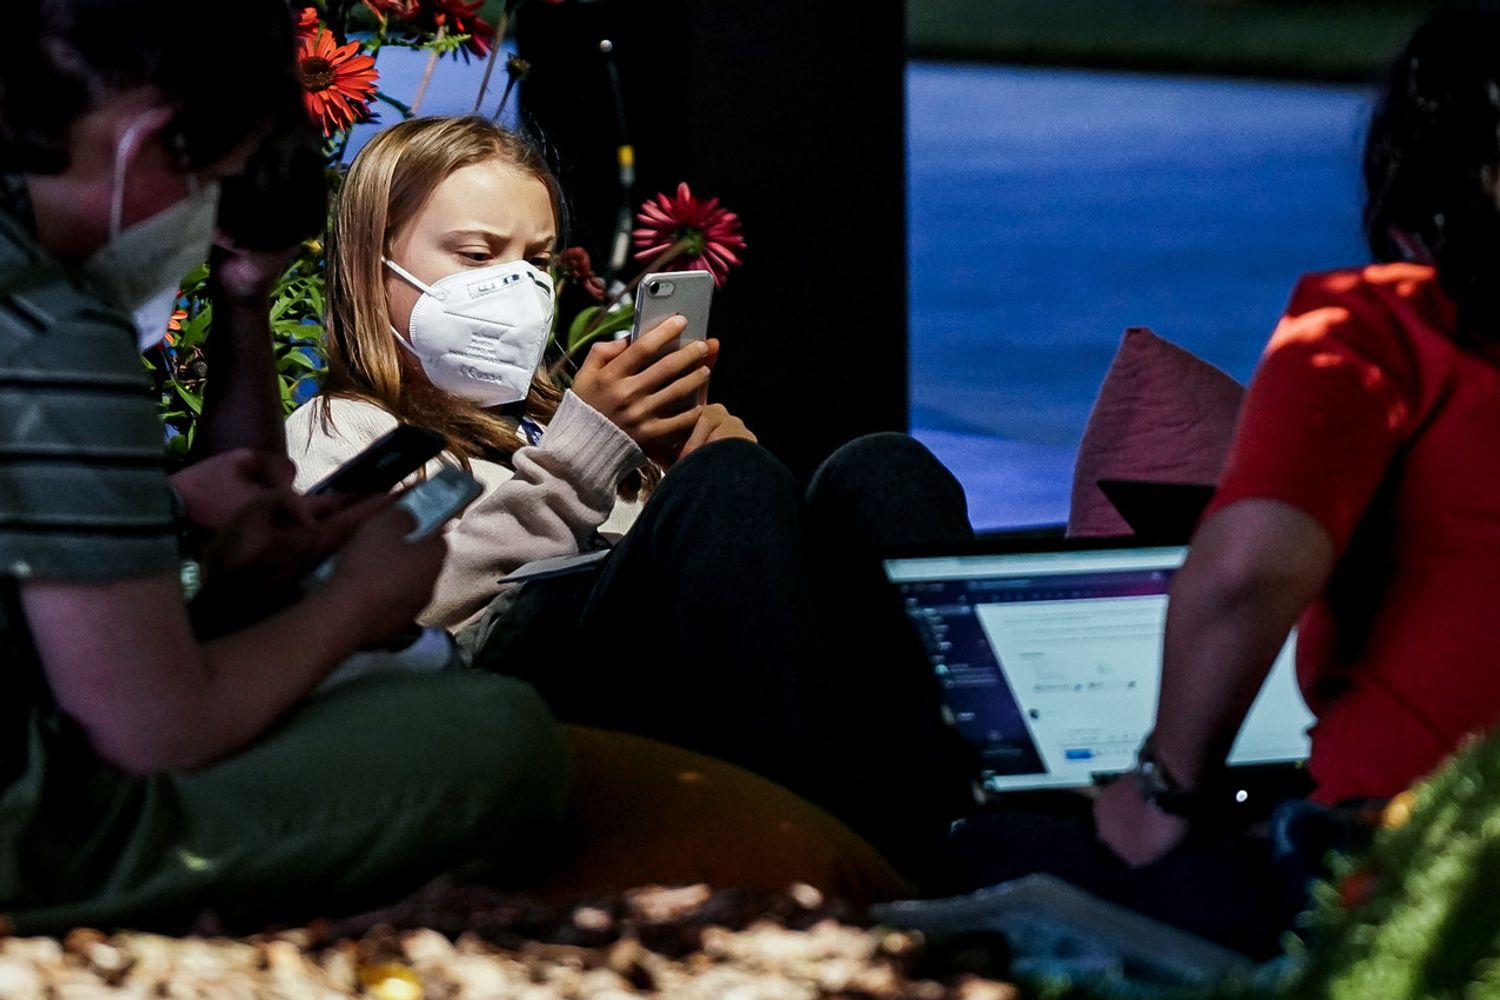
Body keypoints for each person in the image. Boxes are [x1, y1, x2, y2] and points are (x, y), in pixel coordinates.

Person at [0, 0, 569, 935]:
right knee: (504, 737)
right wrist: (351, 604)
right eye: (214, 184)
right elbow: (150, 730)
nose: (208, 223)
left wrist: (220, 586)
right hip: (36, 840)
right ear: (151, 142)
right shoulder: (55, 332)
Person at [944, 7, 1500, 957]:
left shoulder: (1382, 324)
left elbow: (1249, 571)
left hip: (1401, 863)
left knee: (974, 848)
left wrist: (1162, 792)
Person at [285, 115, 977, 872]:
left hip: (669, 686)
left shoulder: (561, 417)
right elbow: (384, 617)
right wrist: (586, 459)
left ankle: (964, 821)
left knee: (881, 470)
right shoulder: (342, 426)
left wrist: (697, 493)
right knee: (727, 485)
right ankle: (813, 852)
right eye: (478, 255)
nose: (516, 286)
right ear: (371, 265)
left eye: (537, 261)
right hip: (511, 697)